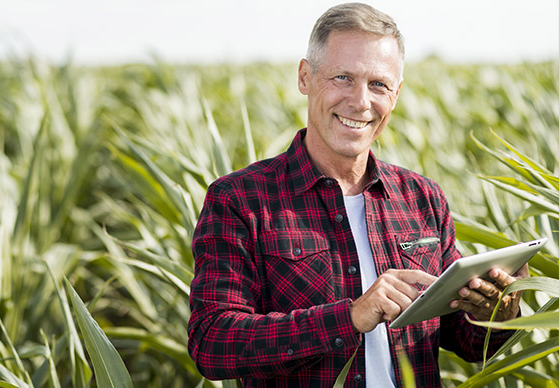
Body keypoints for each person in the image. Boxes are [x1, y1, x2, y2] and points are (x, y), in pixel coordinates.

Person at [187, 3, 526, 387]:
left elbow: (464, 341)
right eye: (343, 77)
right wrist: (349, 317)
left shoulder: (422, 198)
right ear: (305, 77)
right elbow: (212, 342)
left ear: (396, 94)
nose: (361, 101)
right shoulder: (241, 200)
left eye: (378, 84)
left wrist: (500, 311)